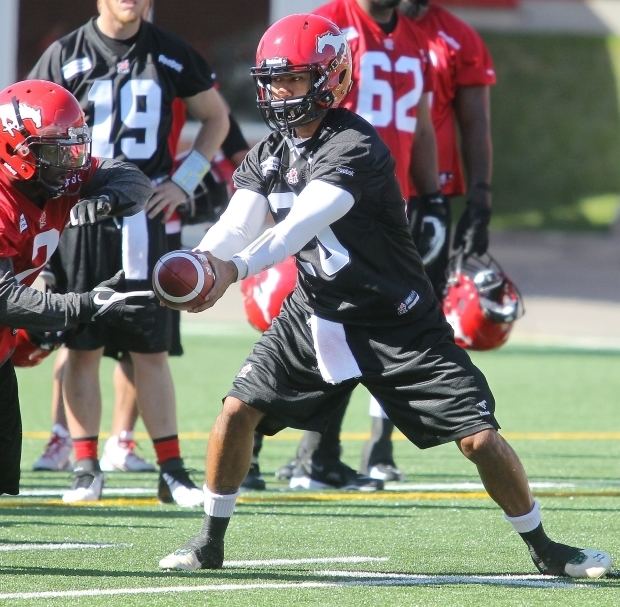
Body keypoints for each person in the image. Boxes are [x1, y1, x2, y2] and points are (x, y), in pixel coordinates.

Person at [157, 14, 613, 579]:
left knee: (478, 438)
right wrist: (206, 262)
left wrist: (236, 269)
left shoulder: (353, 143)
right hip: (318, 310)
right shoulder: (268, 152)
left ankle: (547, 548)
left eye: (294, 79)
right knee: (235, 412)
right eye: (272, 80)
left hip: (395, 317)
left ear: (329, 80)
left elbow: (298, 225)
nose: (279, 92)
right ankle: (209, 541)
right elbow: (238, 222)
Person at [28, 0, 230, 505]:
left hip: (144, 218)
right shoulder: (65, 54)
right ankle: (85, 467)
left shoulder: (170, 52)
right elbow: (27, 122)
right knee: (82, 346)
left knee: (150, 349)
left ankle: (172, 471)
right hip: (80, 216)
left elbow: (217, 118)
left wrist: (183, 183)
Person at [267, 0, 443, 490]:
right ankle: (281, 453)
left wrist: (433, 197)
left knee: (360, 324)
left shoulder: (413, 36)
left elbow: (422, 122)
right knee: (313, 321)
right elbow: (289, 109)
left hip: (384, 202)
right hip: (326, 195)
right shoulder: (326, 24)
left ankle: (328, 454)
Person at [359, 0, 497, 480]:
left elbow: (473, 120)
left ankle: (379, 444)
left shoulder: (453, 37)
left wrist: (478, 198)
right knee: (327, 312)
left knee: (412, 319)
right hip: (354, 191)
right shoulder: (349, 24)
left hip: (424, 196)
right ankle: (309, 445)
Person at [0, 78, 155, 496]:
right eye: (55, 151)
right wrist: (84, 304)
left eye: (73, 147)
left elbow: (134, 180)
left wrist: (105, 201)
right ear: (18, 150)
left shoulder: (54, 179)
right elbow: (4, 300)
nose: (69, 162)